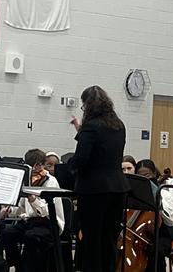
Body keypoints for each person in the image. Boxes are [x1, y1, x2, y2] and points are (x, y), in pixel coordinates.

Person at [68, 85, 127, 272]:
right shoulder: (118, 125)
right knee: (109, 238)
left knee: (92, 239)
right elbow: (105, 148)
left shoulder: (91, 126)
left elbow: (82, 158)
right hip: (117, 188)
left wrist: (68, 167)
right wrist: (81, 131)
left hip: (94, 189)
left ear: (88, 105)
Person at [0, 149, 64, 271]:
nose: (36, 168)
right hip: (30, 222)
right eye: (33, 165)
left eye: (39, 165)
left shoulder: (50, 181)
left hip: (48, 223)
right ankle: (17, 265)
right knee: (7, 232)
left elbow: (45, 211)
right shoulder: (28, 180)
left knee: (31, 236)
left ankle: (31, 268)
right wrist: (9, 210)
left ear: (43, 165)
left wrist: (33, 199)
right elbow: (22, 207)